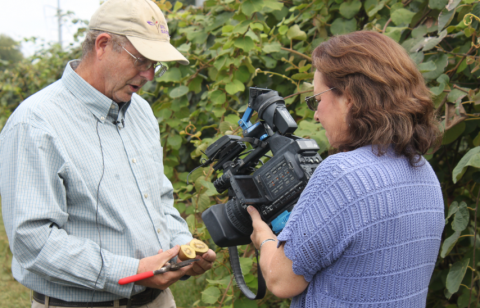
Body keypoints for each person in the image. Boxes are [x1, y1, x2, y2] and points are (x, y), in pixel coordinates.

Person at [0, 0, 216, 307]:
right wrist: (130, 272)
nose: (150, 75)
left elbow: (158, 201)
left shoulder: (140, 111)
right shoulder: (35, 123)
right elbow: (33, 242)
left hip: (158, 300)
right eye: (142, 61)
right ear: (103, 45)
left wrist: (181, 247)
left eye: (156, 64)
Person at [247, 31, 444, 307]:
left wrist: (264, 237)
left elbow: (281, 281)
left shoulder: (342, 174)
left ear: (349, 98)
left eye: (317, 99)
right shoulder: (423, 171)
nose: (316, 114)